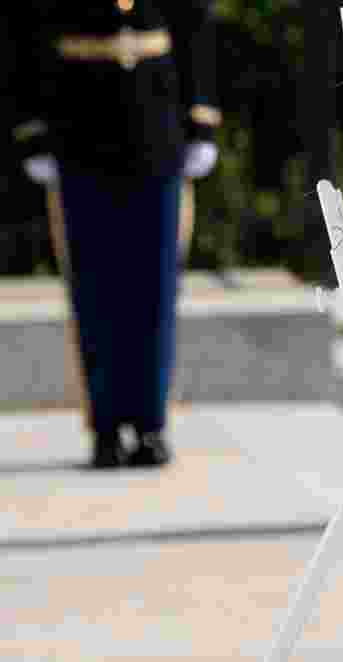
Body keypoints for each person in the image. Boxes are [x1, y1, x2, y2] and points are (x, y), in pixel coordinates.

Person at [0, 2, 221, 468]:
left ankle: (150, 424)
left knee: (155, 289)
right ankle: (105, 425)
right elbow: (20, 30)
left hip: (156, 123)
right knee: (93, 289)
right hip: (77, 125)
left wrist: (201, 117)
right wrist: (31, 128)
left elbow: (195, 19)